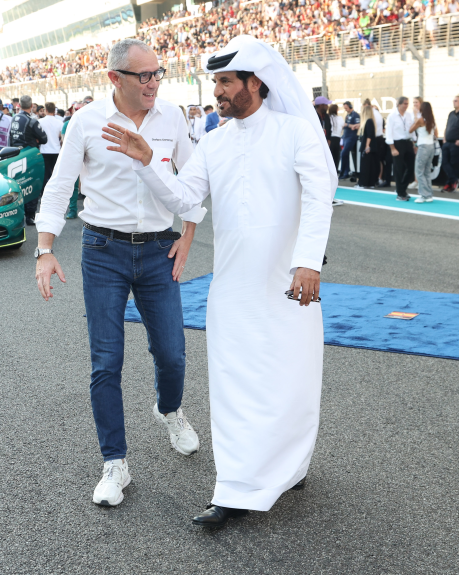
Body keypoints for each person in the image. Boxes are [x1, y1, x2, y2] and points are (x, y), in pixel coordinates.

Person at [102, 34, 336, 528]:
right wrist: (149, 163)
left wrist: (308, 261)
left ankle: (289, 467)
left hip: (289, 283)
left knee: (290, 382)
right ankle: (233, 488)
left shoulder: (295, 133)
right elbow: (186, 201)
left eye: (226, 83)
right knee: (232, 385)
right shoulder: (213, 141)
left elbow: (319, 196)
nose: (218, 93)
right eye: (216, 83)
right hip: (232, 289)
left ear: (256, 82)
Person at [34, 38, 206, 508]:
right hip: (103, 249)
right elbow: (59, 186)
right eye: (143, 75)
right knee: (105, 361)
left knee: (171, 353)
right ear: (115, 78)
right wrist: (44, 249)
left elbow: (195, 182)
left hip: (157, 249)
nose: (153, 83)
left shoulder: (172, 118)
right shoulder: (86, 122)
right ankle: (115, 462)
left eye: (157, 73)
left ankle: (168, 409)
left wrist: (188, 235)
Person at [8, 95, 49, 225]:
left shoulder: (14, 118)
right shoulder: (32, 121)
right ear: (31, 106)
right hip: (29, 156)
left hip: (14, 155)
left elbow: (10, 137)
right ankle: (30, 216)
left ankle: (18, 214)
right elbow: (44, 139)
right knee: (31, 184)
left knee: (17, 184)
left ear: (18, 105)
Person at [386, 96, 415, 201]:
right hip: (397, 144)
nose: (406, 105)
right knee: (398, 169)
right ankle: (400, 193)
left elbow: (412, 130)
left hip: (408, 142)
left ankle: (402, 189)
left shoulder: (409, 115)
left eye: (407, 103)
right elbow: (389, 134)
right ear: (399, 104)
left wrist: (414, 143)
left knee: (411, 167)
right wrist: (392, 148)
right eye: (405, 103)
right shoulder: (392, 116)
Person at [441, 95, 459, 192]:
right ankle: (454, 179)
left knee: (454, 164)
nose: (454, 102)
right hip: (447, 143)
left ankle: (450, 184)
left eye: (456, 101)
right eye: (453, 100)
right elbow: (447, 127)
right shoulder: (451, 114)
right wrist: (444, 138)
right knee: (445, 163)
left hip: (457, 144)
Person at [410, 101, 439, 203]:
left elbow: (410, 130)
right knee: (426, 171)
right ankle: (429, 194)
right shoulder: (432, 120)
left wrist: (414, 115)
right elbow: (436, 133)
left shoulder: (420, 120)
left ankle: (424, 195)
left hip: (423, 146)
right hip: (431, 146)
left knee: (419, 171)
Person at [358, 102, 383, 189]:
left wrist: (367, 146)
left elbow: (369, 135)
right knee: (371, 165)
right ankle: (370, 183)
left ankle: (364, 183)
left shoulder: (368, 121)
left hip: (368, 146)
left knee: (366, 166)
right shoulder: (372, 121)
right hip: (372, 146)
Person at [38, 102, 63, 184]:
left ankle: (44, 192)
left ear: (46, 110)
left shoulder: (40, 121)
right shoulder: (59, 122)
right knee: (56, 173)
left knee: (44, 173)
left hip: (44, 150)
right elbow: (60, 136)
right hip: (56, 150)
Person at [339, 101, 361, 179]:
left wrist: (347, 125)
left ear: (350, 106)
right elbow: (349, 125)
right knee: (345, 154)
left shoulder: (355, 115)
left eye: (346, 108)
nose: (345, 109)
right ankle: (346, 172)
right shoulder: (347, 115)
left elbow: (358, 126)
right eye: (344, 108)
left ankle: (342, 172)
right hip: (345, 136)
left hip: (351, 137)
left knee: (343, 153)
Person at [327, 102, 343, 174]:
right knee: (336, 157)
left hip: (330, 139)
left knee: (329, 157)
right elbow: (342, 125)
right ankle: (335, 172)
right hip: (337, 138)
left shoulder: (328, 117)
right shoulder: (339, 118)